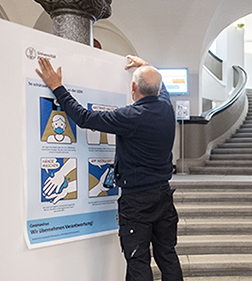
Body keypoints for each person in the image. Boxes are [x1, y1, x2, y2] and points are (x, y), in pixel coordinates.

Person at [36, 55, 183, 281]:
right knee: (167, 256)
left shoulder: (131, 116)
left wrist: (57, 87)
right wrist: (144, 65)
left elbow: (84, 118)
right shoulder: (166, 107)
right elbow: (160, 86)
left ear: (133, 87)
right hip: (163, 196)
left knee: (138, 260)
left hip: (137, 202)